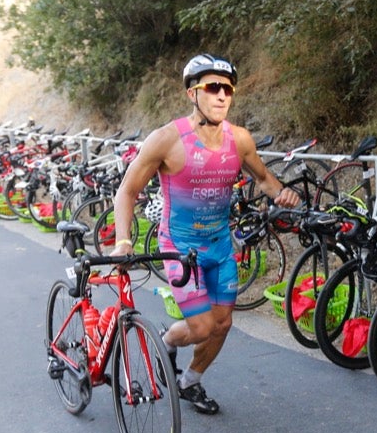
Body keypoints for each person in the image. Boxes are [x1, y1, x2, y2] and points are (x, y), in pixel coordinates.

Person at [110, 54, 301, 414]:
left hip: (219, 246)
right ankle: (168, 339)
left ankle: (190, 381)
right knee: (200, 327)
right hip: (179, 248)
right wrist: (123, 241)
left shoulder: (239, 139)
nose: (221, 96)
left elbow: (263, 178)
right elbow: (127, 190)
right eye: (212, 87)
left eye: (227, 89)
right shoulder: (166, 139)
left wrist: (283, 193)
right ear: (192, 94)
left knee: (223, 323)